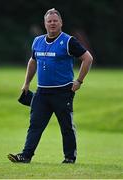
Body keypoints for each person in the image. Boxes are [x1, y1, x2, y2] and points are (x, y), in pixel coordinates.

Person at [8, 8, 93, 164]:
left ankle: (69, 157)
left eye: (55, 21)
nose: (52, 23)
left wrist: (79, 81)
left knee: (66, 126)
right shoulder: (37, 41)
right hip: (42, 93)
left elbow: (87, 58)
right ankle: (25, 156)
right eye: (49, 21)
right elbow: (33, 61)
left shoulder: (68, 41)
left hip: (63, 92)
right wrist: (26, 82)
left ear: (61, 23)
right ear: (45, 24)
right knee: (35, 125)